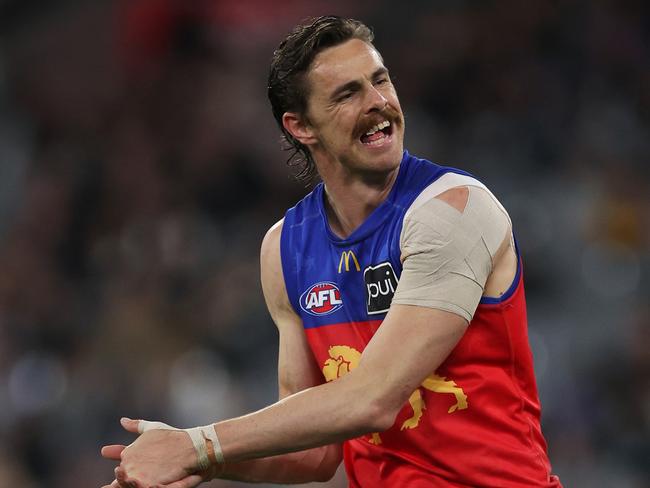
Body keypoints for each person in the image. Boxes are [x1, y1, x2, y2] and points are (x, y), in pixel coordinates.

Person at [101, 15, 563, 488]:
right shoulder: (284, 249)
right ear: (300, 126)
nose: (379, 102)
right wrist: (193, 459)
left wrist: (198, 445)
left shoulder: (453, 210)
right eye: (348, 94)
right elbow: (313, 454)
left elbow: (373, 399)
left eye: (380, 81)